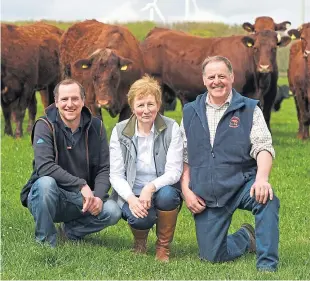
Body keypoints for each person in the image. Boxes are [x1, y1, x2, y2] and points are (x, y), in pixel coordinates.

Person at [180, 56, 280, 272]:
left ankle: (267, 265)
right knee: (212, 256)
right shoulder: (190, 112)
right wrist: (186, 191)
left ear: (232, 78)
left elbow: (263, 146)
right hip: (207, 193)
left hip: (242, 183)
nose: (217, 81)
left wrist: (262, 179)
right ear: (204, 80)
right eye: (212, 77)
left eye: (222, 76)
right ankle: (246, 237)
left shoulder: (250, 108)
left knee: (268, 200)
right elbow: (185, 157)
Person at [20, 79, 121, 247]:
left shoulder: (97, 127)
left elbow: (105, 167)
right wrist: (81, 185)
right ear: (56, 102)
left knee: (113, 211)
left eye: (75, 99)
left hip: (83, 200)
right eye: (64, 99)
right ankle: (45, 243)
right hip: (50, 195)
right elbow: (45, 166)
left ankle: (70, 232)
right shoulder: (44, 125)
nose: (70, 104)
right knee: (45, 183)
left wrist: (98, 196)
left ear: (83, 101)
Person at [109, 75, 183, 262]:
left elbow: (174, 171)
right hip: (132, 192)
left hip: (160, 188)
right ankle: (140, 243)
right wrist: (132, 199)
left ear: (158, 105)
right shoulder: (119, 131)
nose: (146, 110)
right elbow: (116, 175)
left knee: (168, 196)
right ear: (132, 108)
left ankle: (163, 247)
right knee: (141, 218)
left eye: (151, 104)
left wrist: (149, 188)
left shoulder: (171, 127)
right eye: (140, 105)